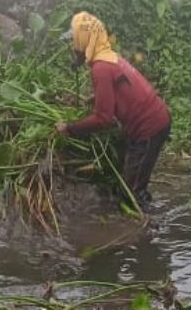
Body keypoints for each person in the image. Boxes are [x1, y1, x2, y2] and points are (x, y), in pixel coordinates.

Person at [56, 12, 171, 206]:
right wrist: (99, 96)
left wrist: (69, 128)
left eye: (76, 41)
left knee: (132, 193)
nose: (74, 48)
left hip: (149, 127)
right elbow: (124, 86)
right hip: (156, 119)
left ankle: (148, 229)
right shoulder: (109, 57)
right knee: (131, 180)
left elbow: (103, 119)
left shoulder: (101, 68)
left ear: (85, 40)